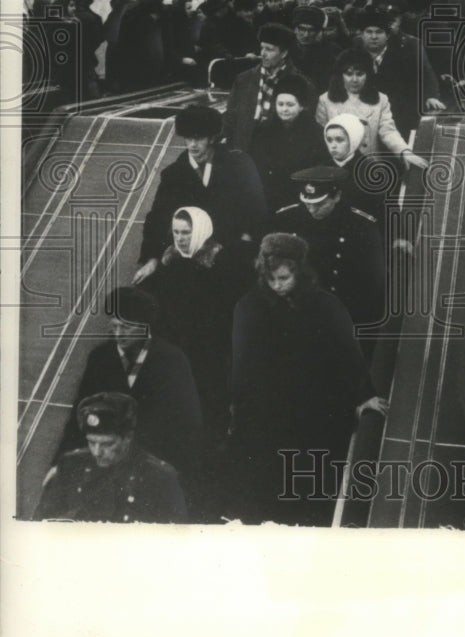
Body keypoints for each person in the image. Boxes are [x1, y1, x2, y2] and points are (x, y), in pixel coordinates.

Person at [229, 233, 386, 525]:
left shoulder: (326, 306)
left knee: (308, 485)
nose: (277, 286)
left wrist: (365, 395)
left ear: (299, 272)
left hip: (313, 411)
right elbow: (242, 365)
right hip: (270, 413)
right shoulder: (248, 307)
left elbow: (347, 352)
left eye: (284, 278)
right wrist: (238, 409)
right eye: (271, 279)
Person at [58, 288, 203, 493]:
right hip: (106, 466)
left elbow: (186, 426)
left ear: (146, 327)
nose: (118, 334)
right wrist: (58, 465)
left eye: (126, 327)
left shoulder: (172, 361)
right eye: (114, 326)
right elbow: (78, 418)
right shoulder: (100, 358)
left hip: (152, 469)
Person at [139, 207, 238, 447]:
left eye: (186, 232)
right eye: (176, 232)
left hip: (209, 351)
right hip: (176, 346)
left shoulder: (221, 264)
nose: (181, 238)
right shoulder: (169, 261)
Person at [135, 105, 267, 283]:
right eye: (188, 138)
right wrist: (151, 259)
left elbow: (257, 210)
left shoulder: (239, 165)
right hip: (188, 253)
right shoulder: (174, 174)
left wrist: (243, 244)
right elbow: (158, 217)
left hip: (231, 250)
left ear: (212, 138)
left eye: (198, 138)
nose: (192, 145)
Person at [35, 392, 188, 523]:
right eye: (91, 442)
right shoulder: (70, 464)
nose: (97, 452)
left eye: (107, 444)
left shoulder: (160, 477)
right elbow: (43, 520)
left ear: (127, 438)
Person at [272, 166, 387, 330]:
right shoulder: (287, 218)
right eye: (307, 204)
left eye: (319, 204)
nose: (312, 210)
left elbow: (370, 283)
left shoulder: (360, 226)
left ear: (337, 196)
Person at [316, 47, 428, 167]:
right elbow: (321, 139)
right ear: (340, 75)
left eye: (360, 74)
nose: (354, 79)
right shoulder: (325, 100)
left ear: (368, 75)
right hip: (338, 167)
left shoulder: (381, 99)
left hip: (371, 168)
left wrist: (404, 152)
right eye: (348, 74)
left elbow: (388, 131)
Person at [355, 7, 444, 141]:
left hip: (397, 114)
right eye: (369, 32)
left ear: (388, 35)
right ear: (361, 34)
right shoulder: (353, 53)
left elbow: (425, 73)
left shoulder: (406, 51)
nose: (373, 37)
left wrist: (430, 96)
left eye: (379, 32)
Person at [223, 23, 312, 152]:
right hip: (244, 152)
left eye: (269, 49)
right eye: (262, 48)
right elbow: (230, 117)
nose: (263, 54)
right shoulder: (244, 79)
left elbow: (304, 126)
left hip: (278, 154)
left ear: (284, 53)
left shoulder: (300, 83)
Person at [247, 74, 328, 213]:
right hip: (269, 197)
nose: (284, 109)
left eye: (290, 105)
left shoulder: (315, 133)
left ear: (302, 106)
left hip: (301, 198)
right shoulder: (263, 131)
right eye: (280, 104)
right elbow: (255, 166)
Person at [116, 0, 174, 92]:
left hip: (136, 62)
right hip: (162, 60)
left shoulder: (130, 9)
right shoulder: (165, 9)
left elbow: (123, 38)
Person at [291, 5, 342, 94]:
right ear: (295, 29)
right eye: (302, 29)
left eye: (311, 30)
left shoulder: (331, 52)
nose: (306, 34)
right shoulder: (286, 49)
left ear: (319, 32)